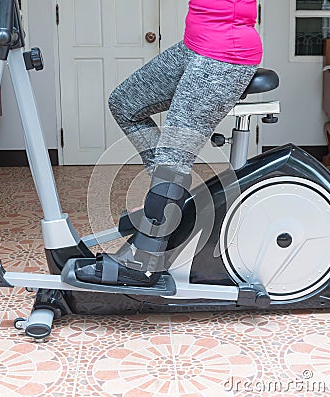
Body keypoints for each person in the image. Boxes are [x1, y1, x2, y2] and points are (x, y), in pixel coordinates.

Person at [76, 0, 263, 287]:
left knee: (173, 157)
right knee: (125, 104)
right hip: (194, 45)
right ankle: (165, 208)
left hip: (223, 55)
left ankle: (144, 262)